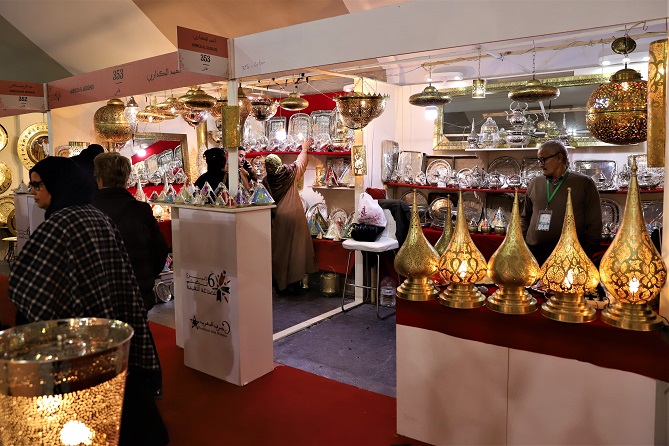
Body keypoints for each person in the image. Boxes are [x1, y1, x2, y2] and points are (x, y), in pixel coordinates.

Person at [8, 156, 169, 446]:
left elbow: (27, 287)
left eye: (38, 185)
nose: (32, 192)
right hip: (110, 317)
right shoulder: (94, 215)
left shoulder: (58, 225)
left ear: (58, 184)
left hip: (82, 327)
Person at [92, 152, 169, 312]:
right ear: (126, 178)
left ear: (98, 178)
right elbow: (160, 250)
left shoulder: (88, 211)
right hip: (138, 291)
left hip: (101, 295)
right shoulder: (140, 210)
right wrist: (146, 277)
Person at [520, 140, 602, 266]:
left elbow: (594, 225)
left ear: (559, 158)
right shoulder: (535, 183)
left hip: (570, 258)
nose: (540, 165)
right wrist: (524, 246)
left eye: (543, 160)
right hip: (534, 256)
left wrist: (584, 255)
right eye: (539, 160)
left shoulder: (584, 183)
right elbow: (525, 217)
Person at [262, 138, 319, 294]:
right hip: (295, 217)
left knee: (280, 251)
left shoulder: (266, 180)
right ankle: (294, 284)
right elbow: (301, 163)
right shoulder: (289, 172)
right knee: (296, 250)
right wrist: (304, 148)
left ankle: (281, 284)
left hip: (278, 219)